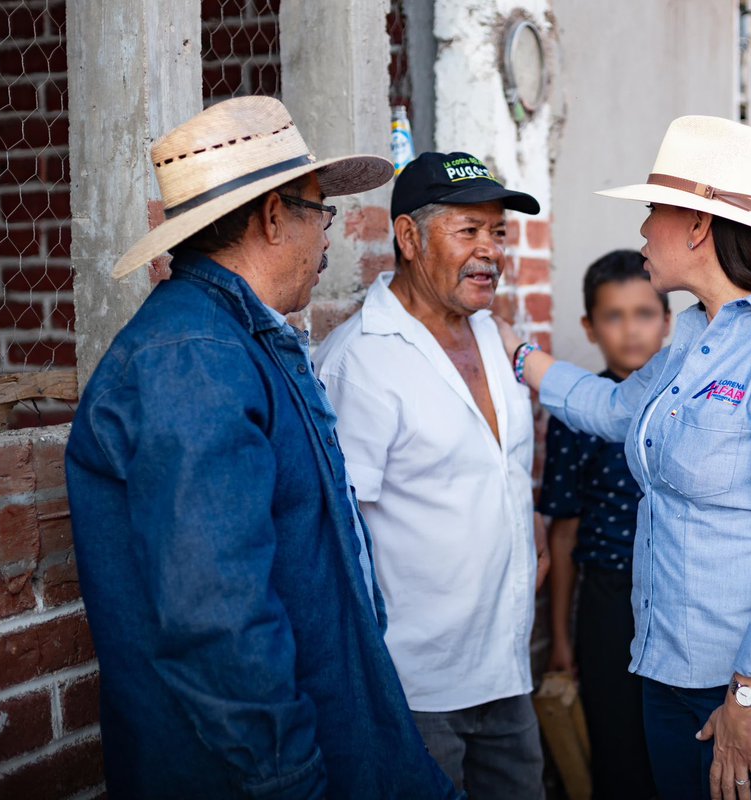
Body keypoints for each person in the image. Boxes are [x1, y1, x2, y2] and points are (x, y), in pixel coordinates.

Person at [64, 97, 458, 800]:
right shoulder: (192, 361)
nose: (330, 237)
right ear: (274, 217)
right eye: (321, 212)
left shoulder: (237, 339)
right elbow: (217, 617)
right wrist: (289, 779)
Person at [501, 116, 751, 800]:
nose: (642, 230)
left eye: (652, 211)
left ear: (699, 226)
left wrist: (750, 696)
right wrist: (519, 355)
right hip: (672, 673)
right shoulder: (696, 337)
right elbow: (614, 410)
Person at [313, 150, 549, 798]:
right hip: (412, 690)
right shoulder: (362, 362)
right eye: (468, 231)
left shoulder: (495, 340)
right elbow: (339, 537)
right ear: (410, 237)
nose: (490, 251)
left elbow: (498, 476)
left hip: (505, 673)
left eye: (497, 232)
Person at [539, 249, 669, 800]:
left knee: (677, 735)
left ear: (667, 320)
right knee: (616, 741)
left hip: (676, 592)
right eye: (614, 316)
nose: (631, 330)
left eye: (644, 313)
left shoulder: (684, 399)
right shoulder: (576, 414)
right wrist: (562, 640)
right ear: (590, 327)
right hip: (608, 601)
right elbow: (563, 532)